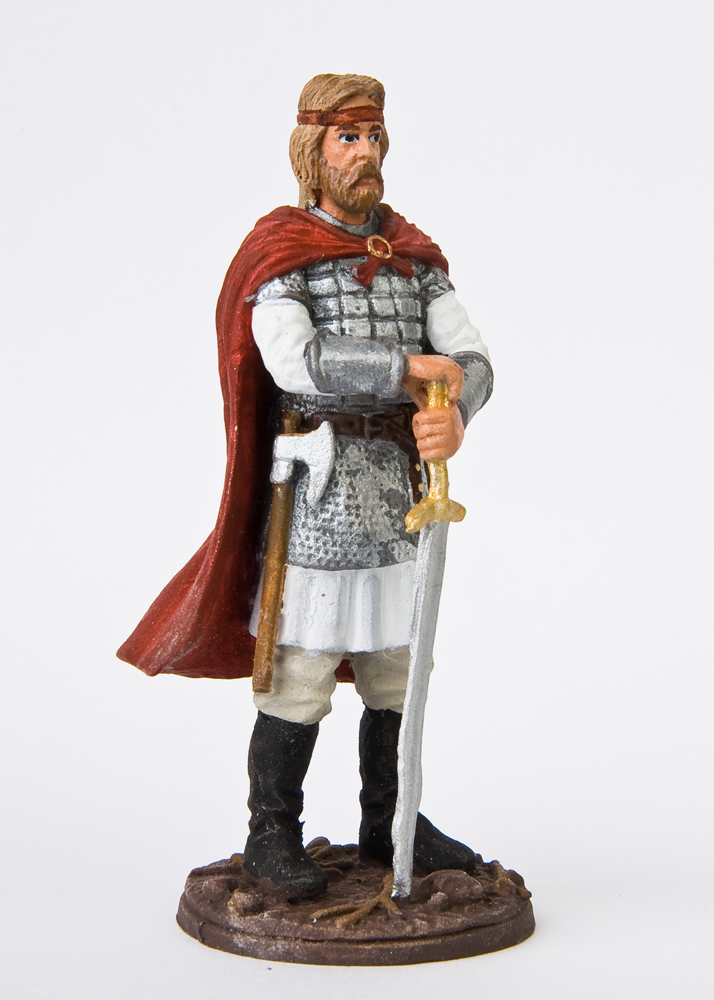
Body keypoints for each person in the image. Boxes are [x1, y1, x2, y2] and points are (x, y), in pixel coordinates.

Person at [118, 73, 493, 899]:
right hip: (319, 489)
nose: (365, 154)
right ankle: (271, 834)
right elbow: (296, 361)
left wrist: (457, 410)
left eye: (374, 137)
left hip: (399, 492)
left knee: (397, 667)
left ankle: (391, 820)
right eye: (347, 138)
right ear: (312, 152)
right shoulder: (284, 254)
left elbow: (470, 357)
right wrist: (406, 371)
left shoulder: (412, 259)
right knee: (301, 669)